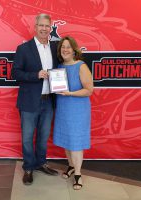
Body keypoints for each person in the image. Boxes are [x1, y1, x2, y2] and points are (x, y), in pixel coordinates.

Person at [12, 13, 59, 185]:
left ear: (50, 28)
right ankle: (28, 167)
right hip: (29, 101)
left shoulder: (55, 48)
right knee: (27, 137)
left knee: (43, 135)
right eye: (41, 25)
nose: (44, 29)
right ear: (35, 26)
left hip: (48, 101)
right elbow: (15, 73)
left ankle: (40, 163)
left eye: (47, 26)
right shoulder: (23, 49)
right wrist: (36, 75)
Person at [53, 36, 93, 190]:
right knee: (67, 139)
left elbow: (89, 90)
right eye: (63, 47)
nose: (65, 49)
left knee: (76, 143)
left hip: (78, 110)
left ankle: (77, 174)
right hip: (63, 108)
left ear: (74, 49)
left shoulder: (81, 66)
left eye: (68, 47)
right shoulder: (59, 67)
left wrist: (70, 93)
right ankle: (70, 166)